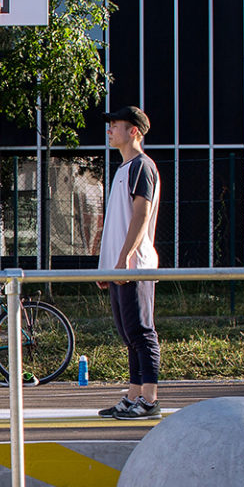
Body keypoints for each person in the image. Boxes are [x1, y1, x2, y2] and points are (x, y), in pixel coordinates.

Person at [93, 106, 163, 420]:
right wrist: (107, 265)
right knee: (127, 333)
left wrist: (124, 261)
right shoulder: (123, 169)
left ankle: (149, 399)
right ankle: (133, 394)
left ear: (133, 130)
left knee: (141, 331)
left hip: (135, 266)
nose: (110, 130)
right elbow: (117, 222)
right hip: (120, 266)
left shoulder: (142, 167)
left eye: (115, 125)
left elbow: (141, 215)